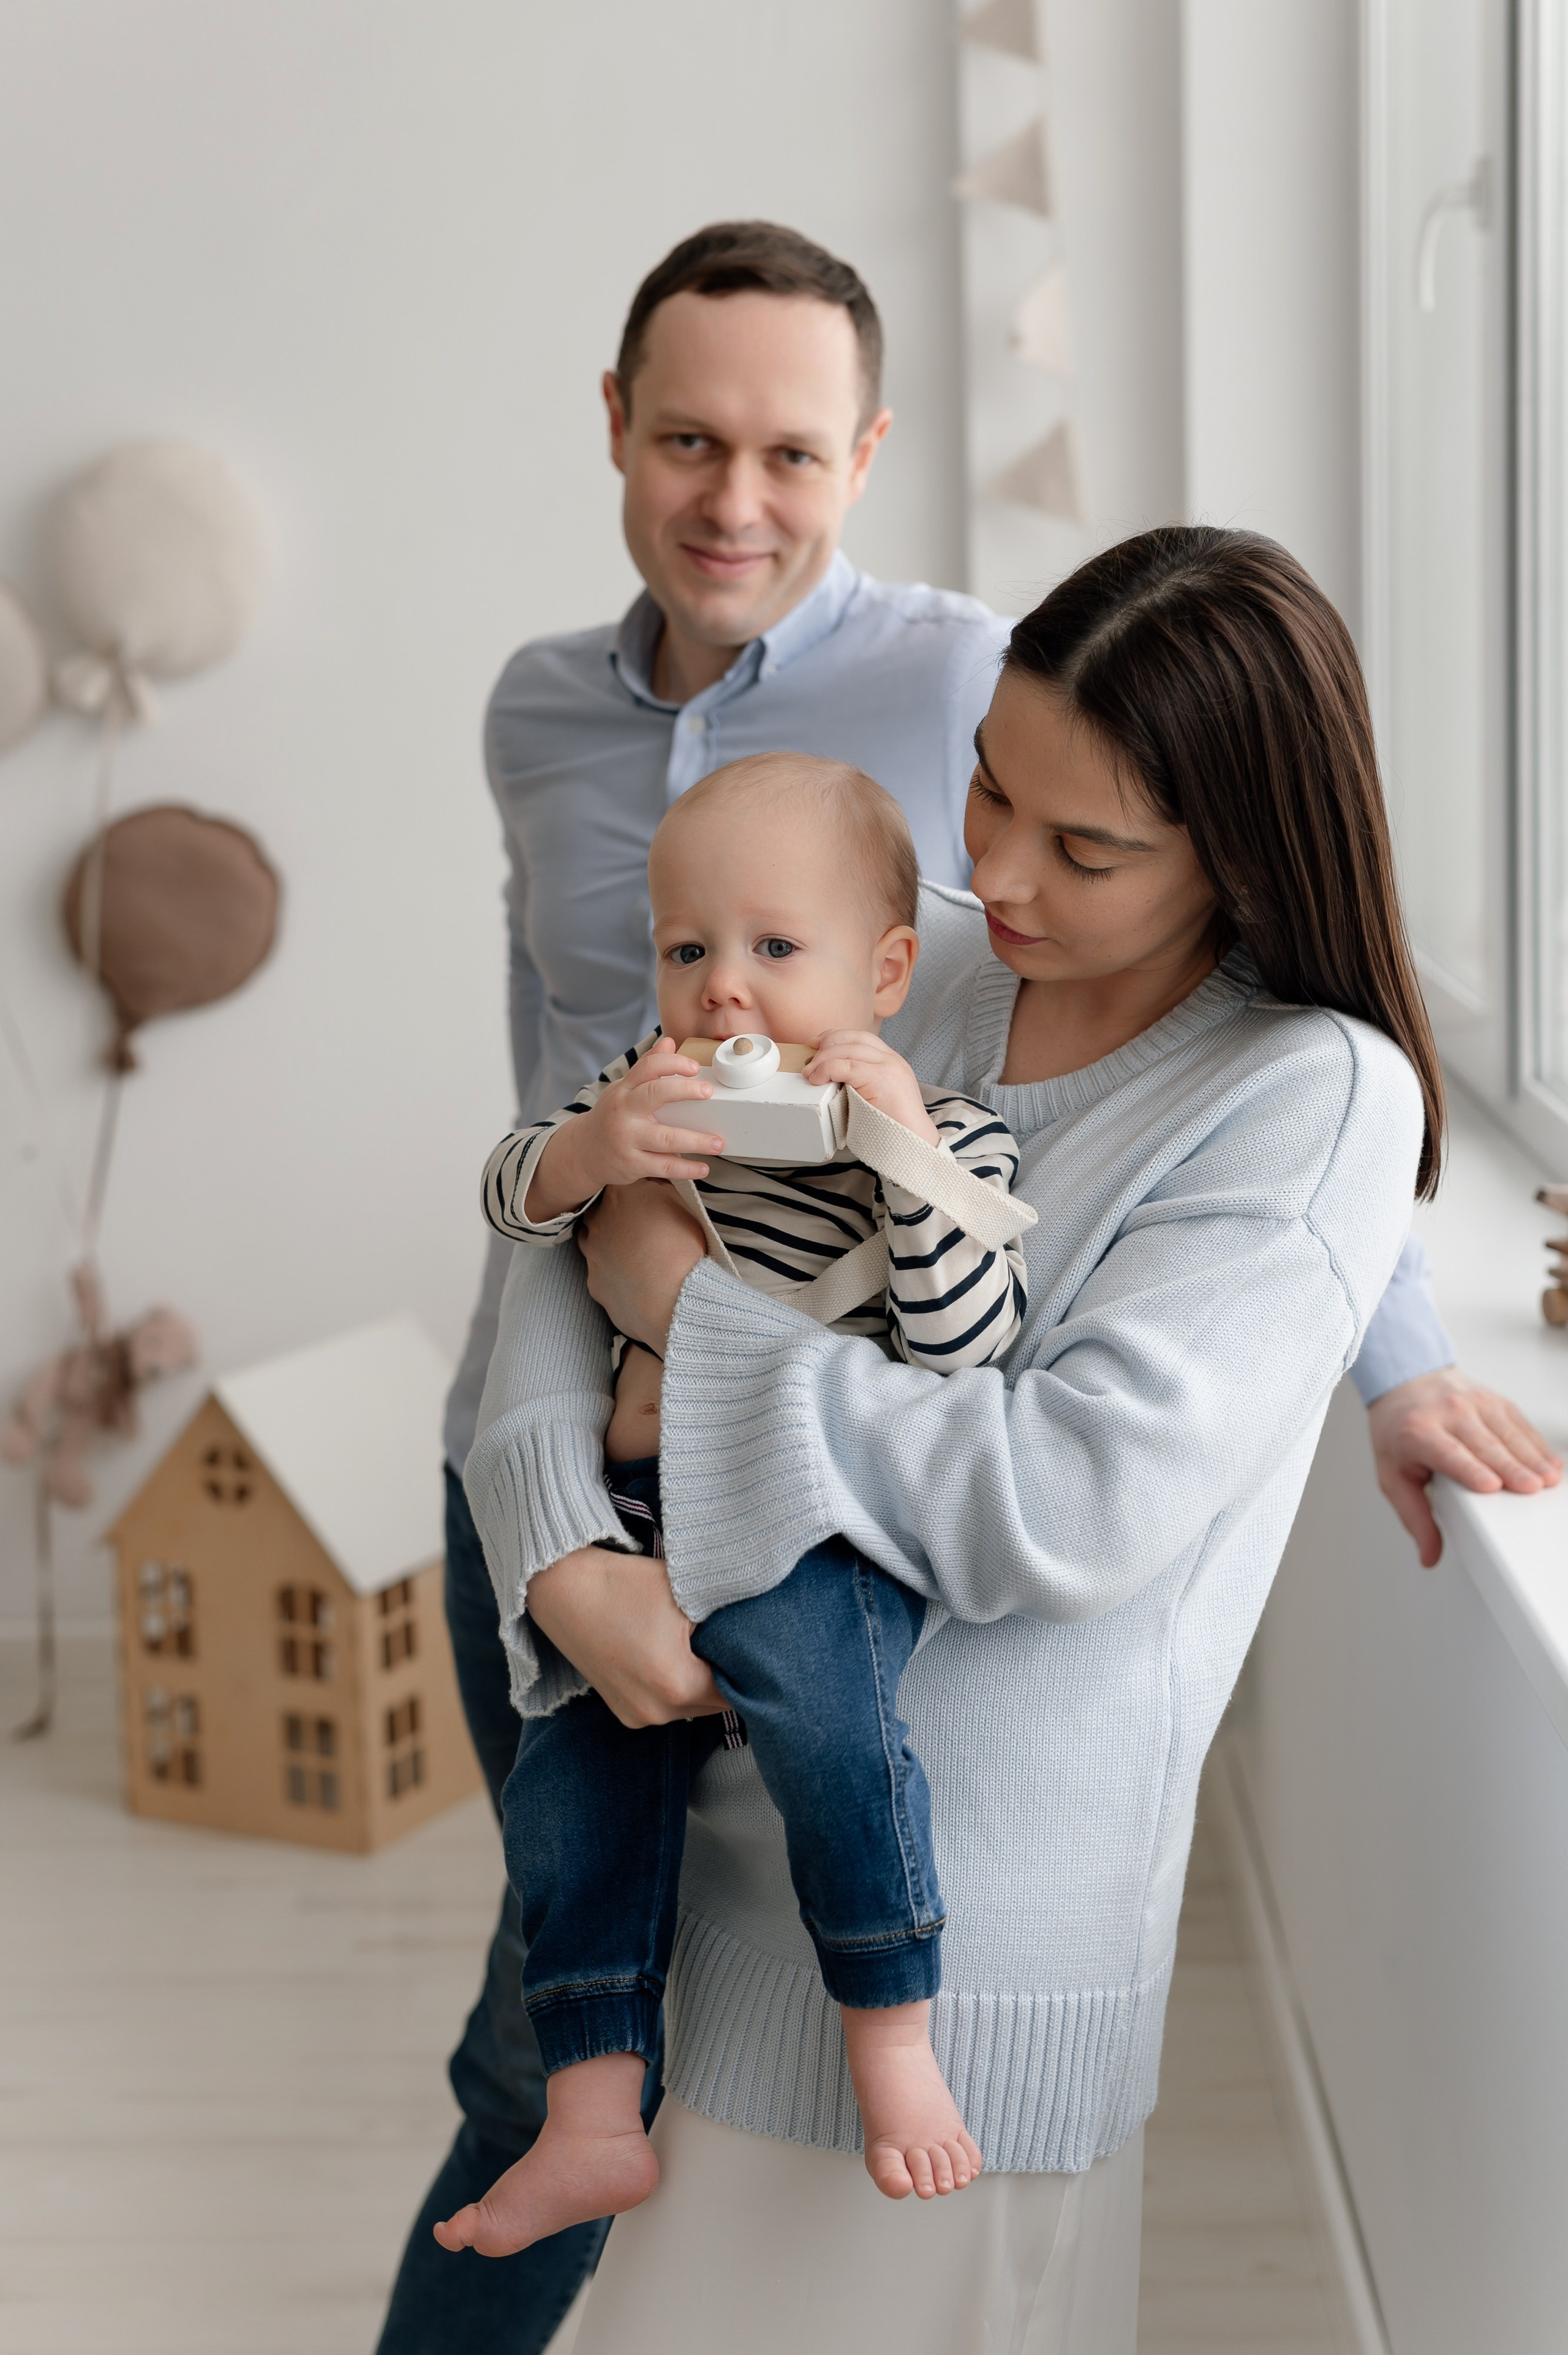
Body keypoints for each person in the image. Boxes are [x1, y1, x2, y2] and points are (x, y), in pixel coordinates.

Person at [375, 224, 1559, 2354]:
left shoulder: (1302, 1098)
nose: (995, 871)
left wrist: (682, 1345)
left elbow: (1063, 1506)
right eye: (988, 792)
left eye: (1079, 848)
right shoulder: (909, 969)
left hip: (957, 1957)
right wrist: (562, 1537)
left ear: (1243, 855)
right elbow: (575, 1217)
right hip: (708, 1879)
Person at [439, 757, 1033, 2259]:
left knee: (834, 1721)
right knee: (571, 1769)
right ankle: (588, 2108)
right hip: (636, 1500)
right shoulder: (651, 1090)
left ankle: (890, 2029)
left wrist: (892, 1142)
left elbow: (967, 1344)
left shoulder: (950, 1133)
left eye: (775, 950)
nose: (724, 992)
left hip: (807, 1508)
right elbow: (513, 1191)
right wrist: (594, 1148)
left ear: (884, 970)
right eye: (687, 949)